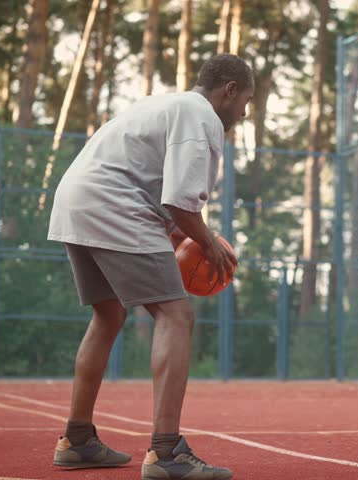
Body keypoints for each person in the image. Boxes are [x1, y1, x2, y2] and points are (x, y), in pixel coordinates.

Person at [47, 53, 252, 480]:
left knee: (108, 314)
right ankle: (166, 452)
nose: (244, 113)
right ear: (229, 90)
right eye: (245, 102)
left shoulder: (165, 105)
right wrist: (209, 245)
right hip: (113, 204)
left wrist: (187, 238)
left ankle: (78, 439)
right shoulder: (201, 118)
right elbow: (181, 204)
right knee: (176, 315)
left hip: (77, 201)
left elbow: (165, 204)